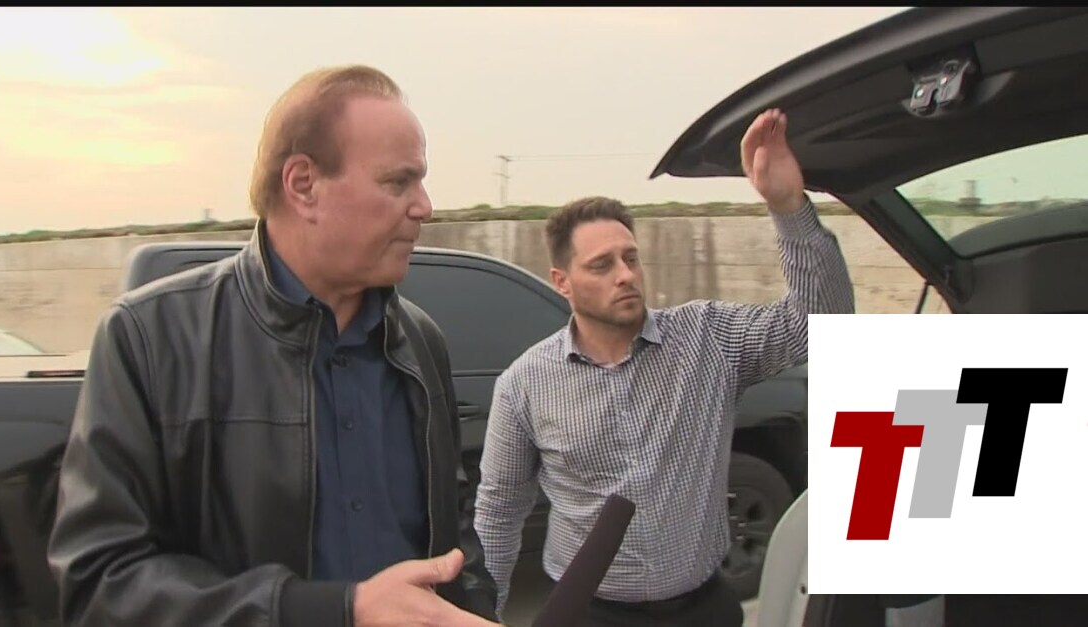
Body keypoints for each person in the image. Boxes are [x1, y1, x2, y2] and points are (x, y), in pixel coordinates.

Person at [47, 65, 500, 627]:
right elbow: (100, 583)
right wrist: (337, 611)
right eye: (397, 182)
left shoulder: (420, 340)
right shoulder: (149, 338)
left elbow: (453, 525)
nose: (424, 206)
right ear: (303, 184)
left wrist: (477, 609)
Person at [473, 108, 856, 626]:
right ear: (562, 282)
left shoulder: (707, 338)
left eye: (630, 258)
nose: (625, 275)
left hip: (702, 609)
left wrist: (788, 206)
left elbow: (821, 323)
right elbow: (499, 510)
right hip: (592, 615)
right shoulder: (524, 384)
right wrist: (485, 615)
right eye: (602, 265)